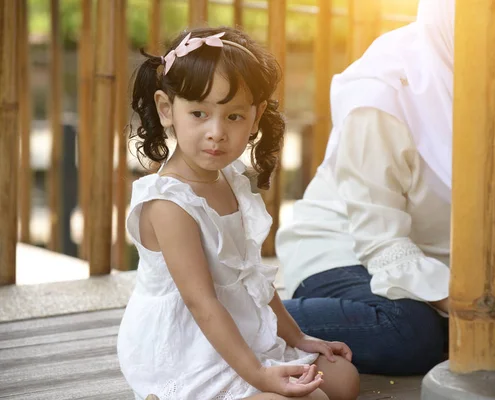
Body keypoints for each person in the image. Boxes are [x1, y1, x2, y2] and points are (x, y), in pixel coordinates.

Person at [117, 27, 360, 400]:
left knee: (342, 379)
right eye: (199, 113)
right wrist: (260, 375)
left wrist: (297, 337)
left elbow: (249, 275)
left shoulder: (230, 179)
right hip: (189, 345)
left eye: (233, 117)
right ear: (167, 109)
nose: (216, 132)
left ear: (256, 116)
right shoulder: (169, 203)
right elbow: (202, 303)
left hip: (238, 327)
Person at [276, 0, 455, 376]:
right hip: (347, 251)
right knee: (408, 333)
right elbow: (383, 246)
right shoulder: (384, 89)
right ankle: (235, 318)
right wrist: (476, 309)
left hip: (446, 272)